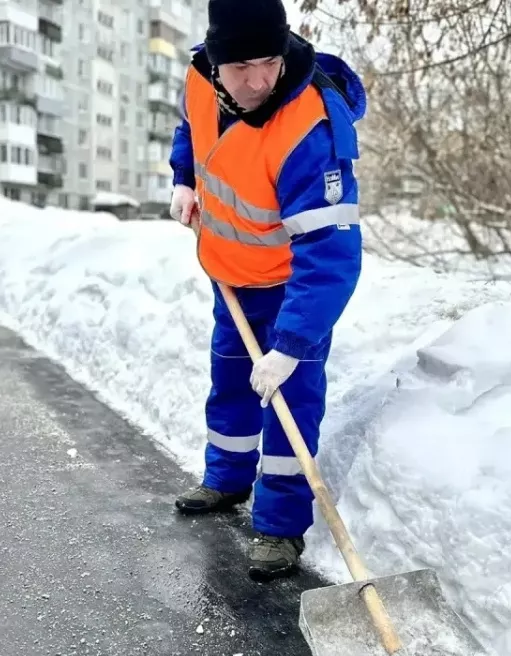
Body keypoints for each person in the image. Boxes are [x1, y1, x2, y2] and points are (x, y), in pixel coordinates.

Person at [167, 0, 367, 582]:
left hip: (292, 288)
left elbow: (331, 254)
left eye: (270, 62)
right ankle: (225, 480)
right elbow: (191, 130)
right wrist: (183, 179)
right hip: (231, 272)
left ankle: (279, 527)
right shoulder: (202, 80)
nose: (258, 81)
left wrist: (292, 344)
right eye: (242, 66)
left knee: (288, 402)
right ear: (215, 61)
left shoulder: (313, 130)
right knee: (229, 377)